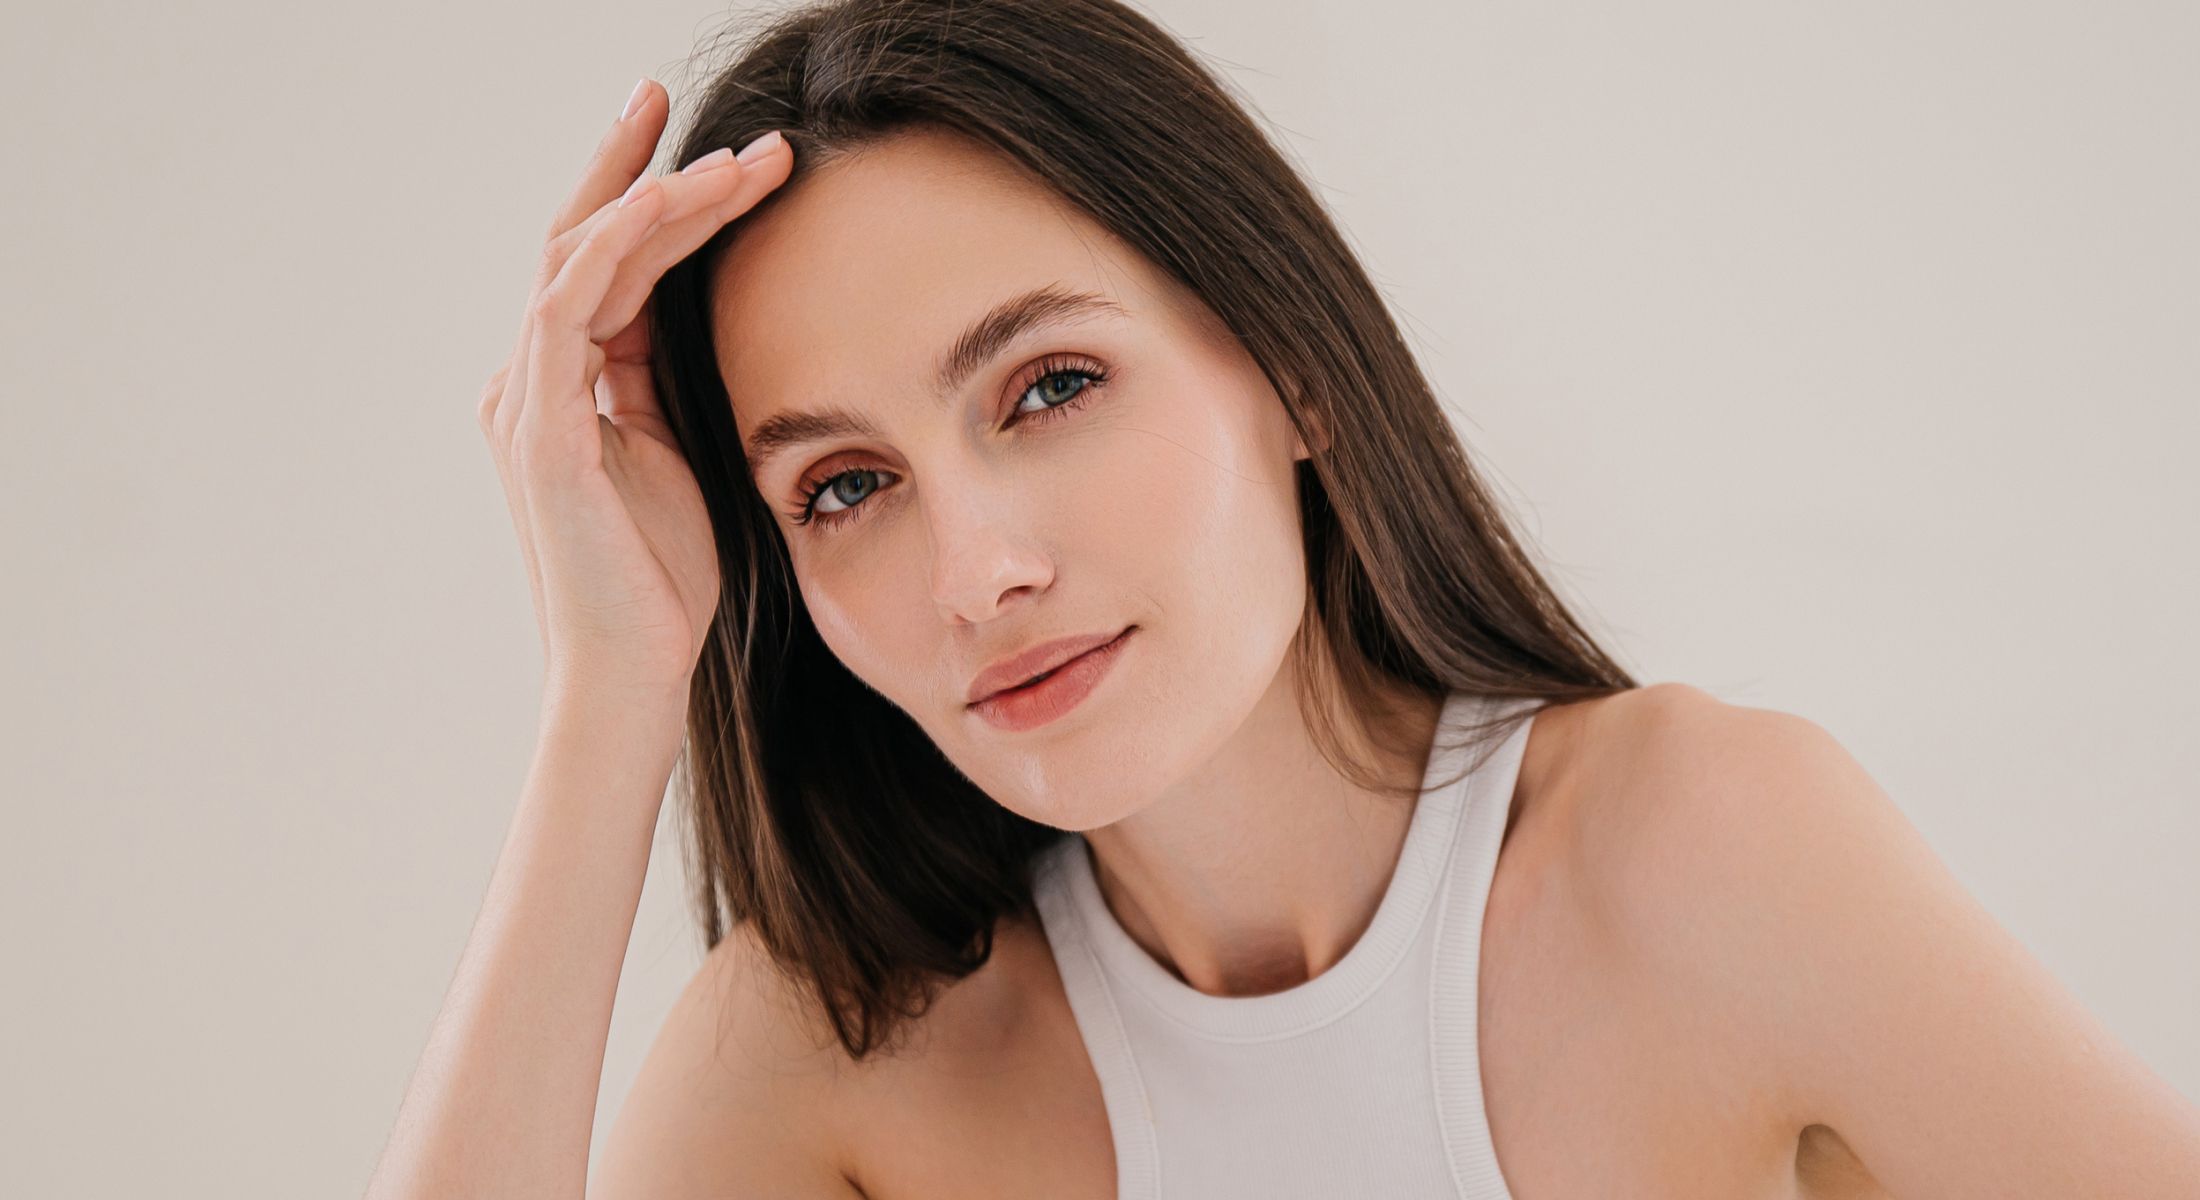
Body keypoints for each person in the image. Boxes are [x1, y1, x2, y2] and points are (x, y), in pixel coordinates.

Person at [365, 0, 2200, 1196]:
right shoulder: (845, 1054)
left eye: (1049, 386)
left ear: (1295, 367)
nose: (979, 571)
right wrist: (611, 690)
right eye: (843, 488)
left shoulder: (1698, 857)